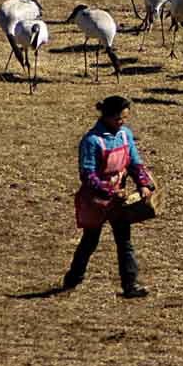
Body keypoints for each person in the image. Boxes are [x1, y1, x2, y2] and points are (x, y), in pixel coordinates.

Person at [63, 96, 154, 298]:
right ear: (108, 116)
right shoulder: (91, 141)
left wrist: (143, 183)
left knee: (124, 242)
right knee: (90, 241)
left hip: (118, 201)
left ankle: (130, 286)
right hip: (95, 200)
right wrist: (111, 191)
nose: (123, 122)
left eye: (125, 118)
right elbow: (87, 176)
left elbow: (134, 163)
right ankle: (73, 278)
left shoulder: (124, 135)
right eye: (120, 118)